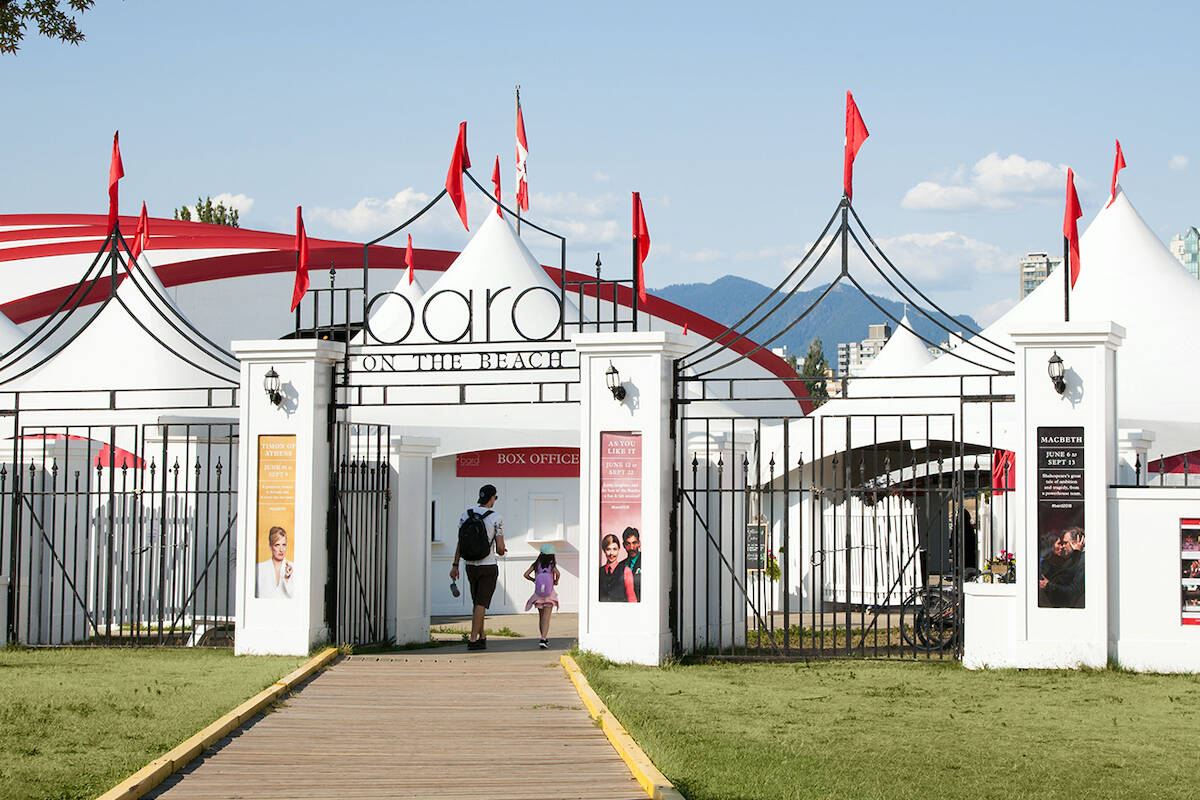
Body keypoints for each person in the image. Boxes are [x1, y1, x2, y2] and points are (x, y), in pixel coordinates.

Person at [450, 484, 505, 650]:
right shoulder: (496, 518)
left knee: (477, 602)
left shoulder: (466, 514)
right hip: (488, 566)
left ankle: (482, 636)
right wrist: (501, 549)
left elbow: (461, 541)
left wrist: (455, 565)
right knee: (481, 603)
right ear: (492, 498)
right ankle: (473, 639)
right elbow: (501, 549)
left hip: (470, 565)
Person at [524, 543, 560, 649]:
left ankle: (543, 637)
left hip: (538, 595)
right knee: (546, 618)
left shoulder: (536, 564)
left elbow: (526, 574)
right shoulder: (552, 565)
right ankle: (543, 639)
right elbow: (558, 573)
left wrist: (533, 580)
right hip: (549, 595)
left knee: (541, 617)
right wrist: (555, 581)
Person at [256, 526, 294, 599]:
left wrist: (287, 578)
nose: (281, 550)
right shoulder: (259, 568)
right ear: (270, 547)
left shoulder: (294, 567)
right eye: (277, 545)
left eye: (284, 545)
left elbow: (297, 597)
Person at [598, 533, 636, 602]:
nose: (611, 553)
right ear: (604, 550)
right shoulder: (599, 572)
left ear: (618, 550)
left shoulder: (626, 571)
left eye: (614, 549)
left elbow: (632, 598)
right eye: (608, 549)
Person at [621, 527, 642, 602]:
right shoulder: (621, 565)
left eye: (634, 543)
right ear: (624, 545)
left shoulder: (647, 561)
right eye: (628, 544)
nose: (631, 547)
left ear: (639, 543)